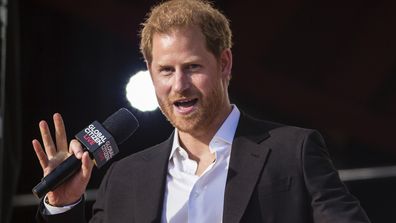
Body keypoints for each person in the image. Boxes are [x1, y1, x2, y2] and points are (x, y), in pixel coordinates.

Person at [33, 0, 371, 222]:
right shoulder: (125, 178)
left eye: (193, 66)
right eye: (166, 70)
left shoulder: (292, 151)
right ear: (151, 74)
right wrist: (64, 204)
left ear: (224, 64)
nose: (179, 85)